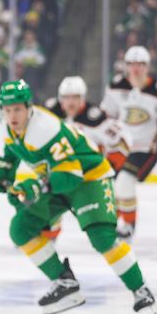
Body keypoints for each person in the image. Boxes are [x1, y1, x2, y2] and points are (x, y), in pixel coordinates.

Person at [0, 80, 157, 314]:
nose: (12, 115)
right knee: (20, 228)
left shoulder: (45, 129)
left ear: (29, 107)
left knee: (102, 238)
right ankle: (65, 282)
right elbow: (12, 147)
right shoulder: (6, 125)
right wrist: (4, 170)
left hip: (88, 178)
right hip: (57, 178)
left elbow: (70, 175)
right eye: (7, 110)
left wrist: (36, 186)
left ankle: (140, 289)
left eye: (17, 109)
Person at [100, 46, 157, 239]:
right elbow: (107, 116)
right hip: (121, 147)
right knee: (109, 184)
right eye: (132, 64)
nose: (136, 69)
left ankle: (128, 225)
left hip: (147, 148)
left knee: (125, 181)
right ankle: (115, 220)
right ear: (126, 66)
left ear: (147, 67)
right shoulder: (116, 86)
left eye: (140, 64)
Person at [41, 75, 131, 239]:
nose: (70, 102)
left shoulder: (95, 118)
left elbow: (122, 142)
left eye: (75, 97)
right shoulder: (51, 114)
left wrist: (111, 167)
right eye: (66, 97)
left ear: (82, 98)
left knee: (101, 207)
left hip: (89, 173)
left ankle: (112, 228)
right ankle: (48, 234)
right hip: (63, 171)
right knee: (48, 200)